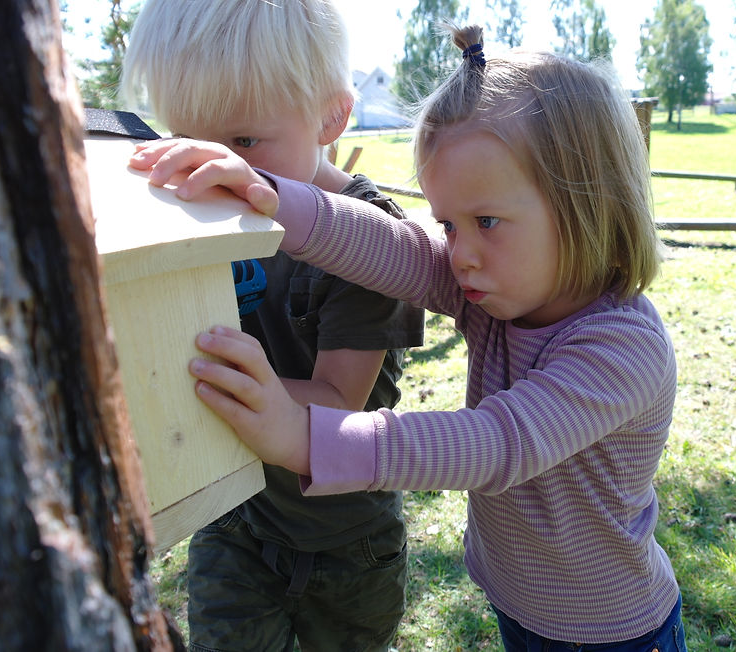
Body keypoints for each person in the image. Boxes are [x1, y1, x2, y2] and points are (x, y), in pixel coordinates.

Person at [130, 23, 687, 652]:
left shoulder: (622, 347)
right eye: (450, 223)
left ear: (587, 203)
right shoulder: (496, 290)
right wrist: (269, 195)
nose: (462, 253)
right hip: (520, 604)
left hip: (613, 629)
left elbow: (496, 446)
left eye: (488, 221)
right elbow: (392, 246)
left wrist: (303, 435)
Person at [121, 2, 425, 650]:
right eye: (189, 144)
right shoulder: (199, 216)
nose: (214, 174)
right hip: (239, 524)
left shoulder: (372, 239)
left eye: (243, 143)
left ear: (330, 116)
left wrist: (224, 386)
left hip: (348, 545)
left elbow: (341, 401)